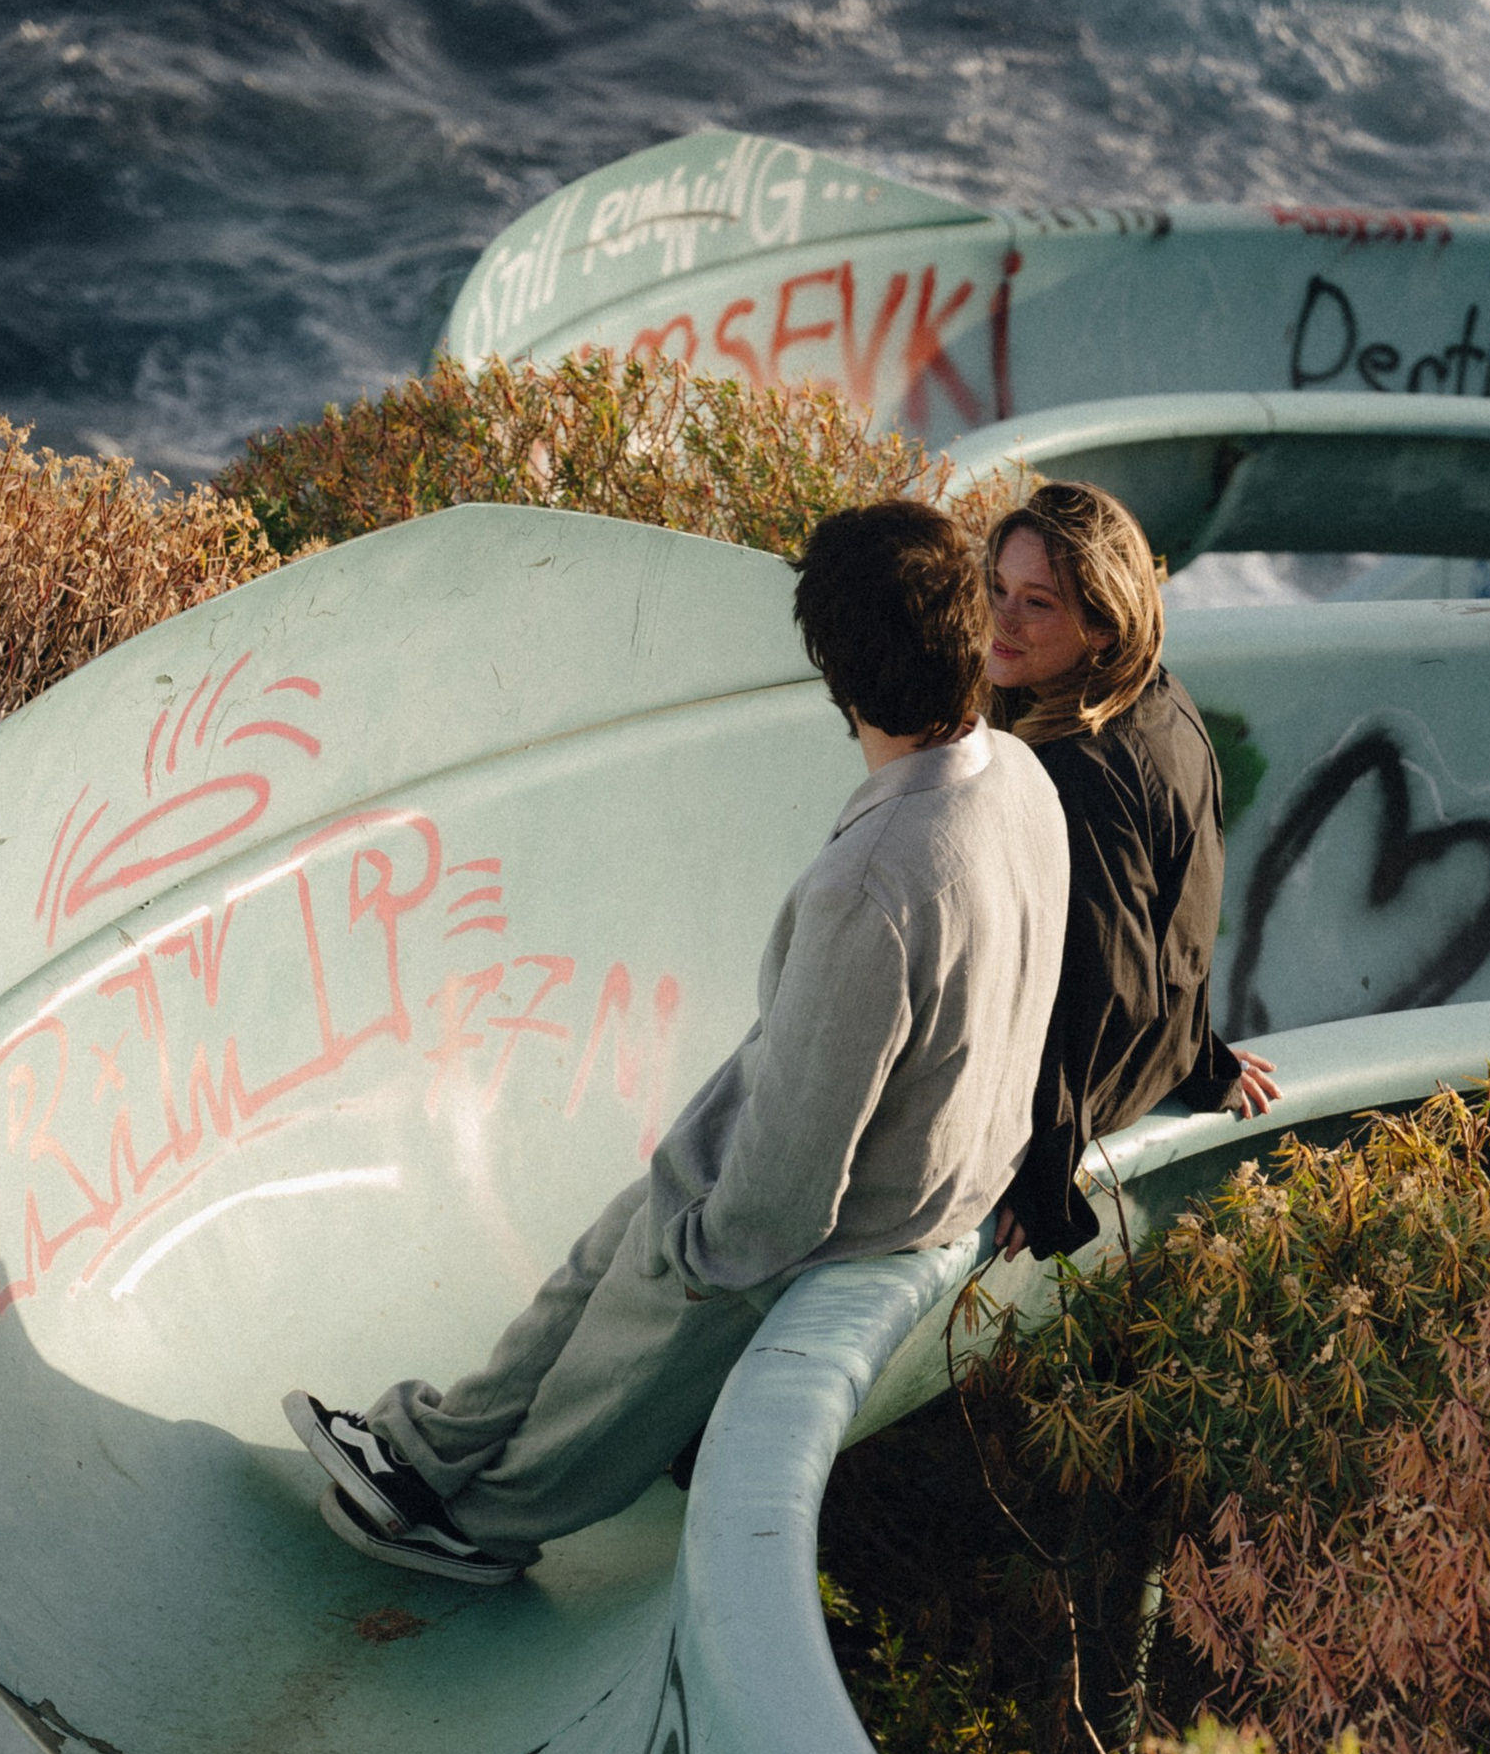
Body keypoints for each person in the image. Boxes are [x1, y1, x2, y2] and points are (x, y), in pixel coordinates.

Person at [286, 498, 1069, 1588]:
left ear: (835, 674)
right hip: (945, 1162)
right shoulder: (1018, 775)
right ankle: (433, 1448)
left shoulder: (874, 880)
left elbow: (787, 1194)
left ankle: (483, 1524)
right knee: (629, 1223)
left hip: (861, 1207)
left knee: (648, 1293)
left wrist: (695, 1258)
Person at [981, 479, 1277, 1261]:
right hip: (1158, 1057)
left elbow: (1100, 980)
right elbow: (1180, 904)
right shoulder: (1160, 698)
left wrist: (1042, 1176)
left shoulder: (1073, 768)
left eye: (1037, 603)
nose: (1003, 618)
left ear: (1104, 626)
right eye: (998, 588)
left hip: (1093, 1089)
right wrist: (1201, 1058)